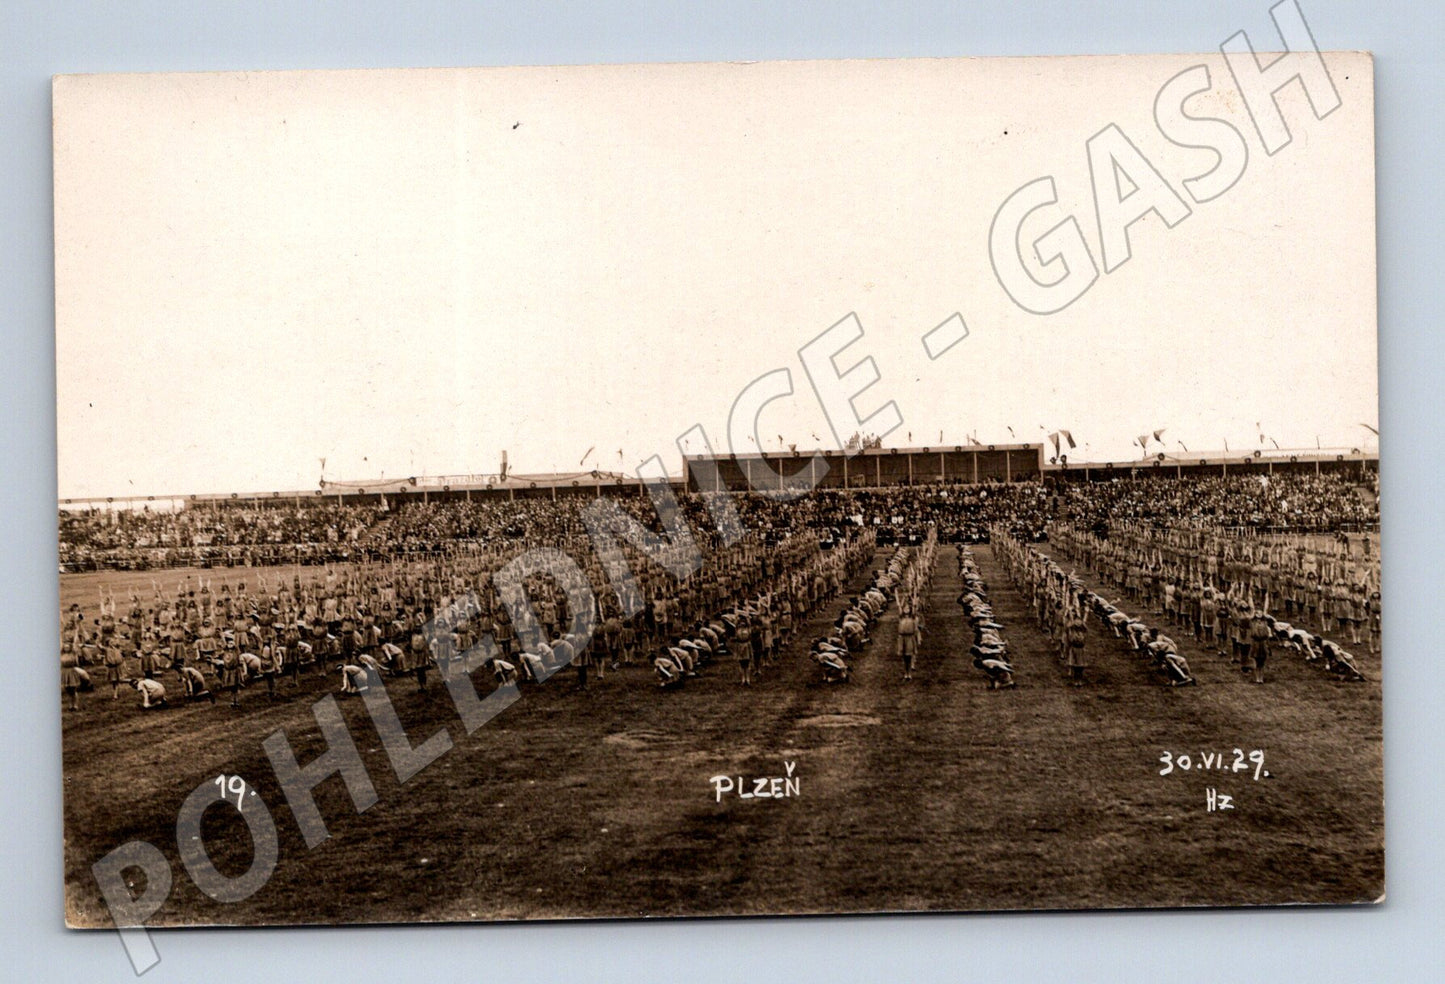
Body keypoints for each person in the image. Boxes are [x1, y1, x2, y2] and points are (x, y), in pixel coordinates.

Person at [897, 606, 919, 682]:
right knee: (904, 658)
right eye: (905, 608)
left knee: (909, 656)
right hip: (902, 638)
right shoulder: (901, 618)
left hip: (909, 638)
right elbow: (899, 606)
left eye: (908, 609)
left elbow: (914, 607)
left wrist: (914, 597)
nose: (906, 610)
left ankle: (909, 674)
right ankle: (905, 674)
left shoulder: (912, 618)